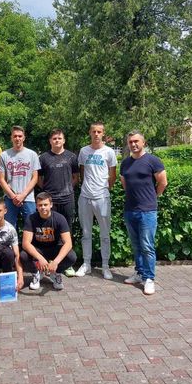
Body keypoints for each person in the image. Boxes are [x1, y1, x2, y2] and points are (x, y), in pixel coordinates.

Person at [120, 131, 168, 295]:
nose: (133, 144)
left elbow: (163, 182)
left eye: (136, 141)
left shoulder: (153, 161)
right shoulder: (125, 163)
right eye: (130, 142)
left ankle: (149, 278)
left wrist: (153, 196)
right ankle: (139, 273)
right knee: (136, 246)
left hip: (147, 211)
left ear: (143, 142)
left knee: (147, 246)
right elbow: (125, 183)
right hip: (130, 210)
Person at [75, 122, 117, 280]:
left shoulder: (109, 152)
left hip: (102, 198)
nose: (96, 134)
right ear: (90, 133)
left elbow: (112, 175)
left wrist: (104, 189)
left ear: (103, 133)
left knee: (105, 234)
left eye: (99, 131)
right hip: (85, 197)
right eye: (94, 131)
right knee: (86, 233)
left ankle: (105, 266)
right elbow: (82, 172)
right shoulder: (84, 151)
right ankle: (86, 264)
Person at [38, 129, 79, 276]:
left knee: (67, 230)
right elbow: (39, 179)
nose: (57, 141)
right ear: (50, 141)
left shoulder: (71, 157)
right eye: (54, 138)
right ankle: (49, 261)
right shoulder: (43, 158)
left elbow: (76, 177)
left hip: (67, 199)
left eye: (59, 138)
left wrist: (67, 189)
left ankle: (66, 263)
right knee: (49, 231)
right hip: (50, 201)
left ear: (64, 140)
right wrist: (48, 193)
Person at [20, 192, 77, 291]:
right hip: (39, 249)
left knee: (71, 257)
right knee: (23, 256)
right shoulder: (31, 218)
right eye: (40, 205)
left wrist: (56, 262)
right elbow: (26, 243)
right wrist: (40, 258)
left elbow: (68, 243)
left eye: (45, 204)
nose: (43, 207)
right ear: (36, 206)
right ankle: (36, 273)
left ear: (51, 205)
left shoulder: (59, 218)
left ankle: (56, 273)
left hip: (55, 248)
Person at [0, 125, 40, 228]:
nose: (17, 138)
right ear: (11, 138)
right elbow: (1, 179)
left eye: (20, 136)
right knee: (9, 227)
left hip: (28, 197)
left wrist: (23, 195)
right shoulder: (4, 155)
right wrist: (13, 196)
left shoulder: (32, 154)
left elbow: (35, 178)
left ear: (24, 138)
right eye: (15, 136)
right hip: (10, 198)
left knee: (32, 226)